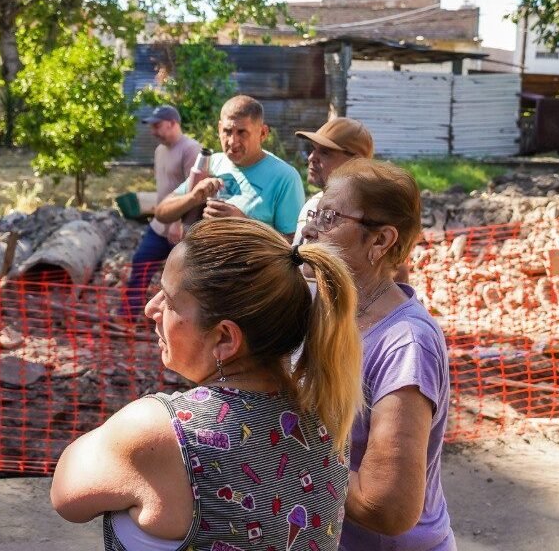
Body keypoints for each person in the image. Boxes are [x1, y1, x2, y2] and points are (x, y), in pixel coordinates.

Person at [51, 217, 364, 551]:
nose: (150, 308)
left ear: (225, 338)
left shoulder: (160, 430)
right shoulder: (328, 412)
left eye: (169, 299)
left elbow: (66, 496)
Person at [299, 159, 456, 550]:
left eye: (330, 217)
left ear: (380, 241)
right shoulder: (323, 307)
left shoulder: (406, 344)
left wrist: (283, 451)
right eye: (315, 213)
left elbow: (386, 506)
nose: (309, 229)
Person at [153, 95, 305, 237]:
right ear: (219, 129)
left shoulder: (285, 177)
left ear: (263, 133)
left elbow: (293, 243)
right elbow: (161, 213)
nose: (232, 141)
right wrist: (192, 198)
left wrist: (244, 224)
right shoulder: (213, 162)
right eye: (227, 131)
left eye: (242, 132)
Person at [123, 104, 201, 318]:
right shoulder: (160, 150)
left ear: (173, 123)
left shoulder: (191, 150)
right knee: (141, 261)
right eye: (152, 126)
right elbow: (167, 187)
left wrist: (177, 222)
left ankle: (179, 322)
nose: (153, 131)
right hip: (159, 225)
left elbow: (195, 192)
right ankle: (128, 316)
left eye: (157, 126)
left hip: (182, 229)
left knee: (182, 278)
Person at [292, 117, 374, 245]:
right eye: (313, 149)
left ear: (356, 162)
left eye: (325, 152)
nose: (311, 157)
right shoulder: (312, 204)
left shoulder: (364, 217)